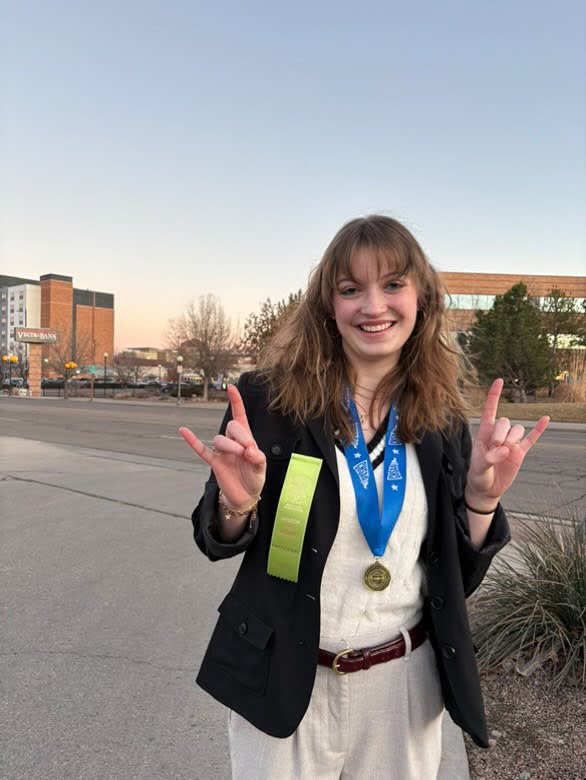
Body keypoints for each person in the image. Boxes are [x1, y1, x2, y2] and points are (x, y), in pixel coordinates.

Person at [180, 215, 549, 779]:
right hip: (285, 680)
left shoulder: (441, 419)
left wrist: (480, 502)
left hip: (402, 688)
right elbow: (217, 540)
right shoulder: (269, 401)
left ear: (420, 298)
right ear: (329, 305)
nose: (373, 306)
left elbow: (454, 581)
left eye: (393, 284)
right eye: (351, 289)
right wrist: (238, 506)